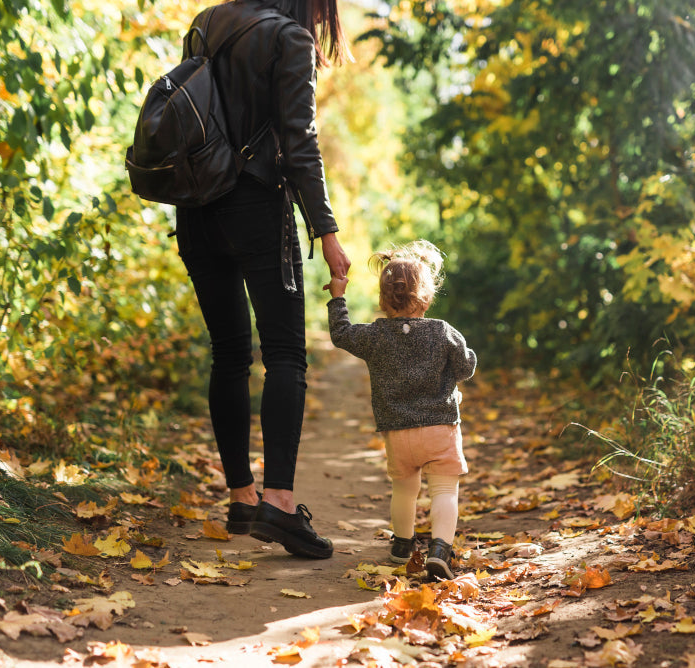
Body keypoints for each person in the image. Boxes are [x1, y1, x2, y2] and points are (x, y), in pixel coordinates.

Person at [174, 0, 351, 559]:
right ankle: (277, 502)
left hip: (195, 206)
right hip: (255, 206)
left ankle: (242, 497)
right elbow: (300, 143)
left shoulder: (206, 22)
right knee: (284, 355)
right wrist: (326, 231)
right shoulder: (290, 39)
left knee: (228, 354)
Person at [325, 240, 477, 579]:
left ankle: (402, 545)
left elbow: (341, 334)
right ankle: (440, 549)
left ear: (383, 299)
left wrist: (338, 296)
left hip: (397, 432)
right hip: (440, 428)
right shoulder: (443, 332)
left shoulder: (376, 336)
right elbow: (465, 368)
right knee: (444, 490)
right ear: (426, 297)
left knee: (405, 489)